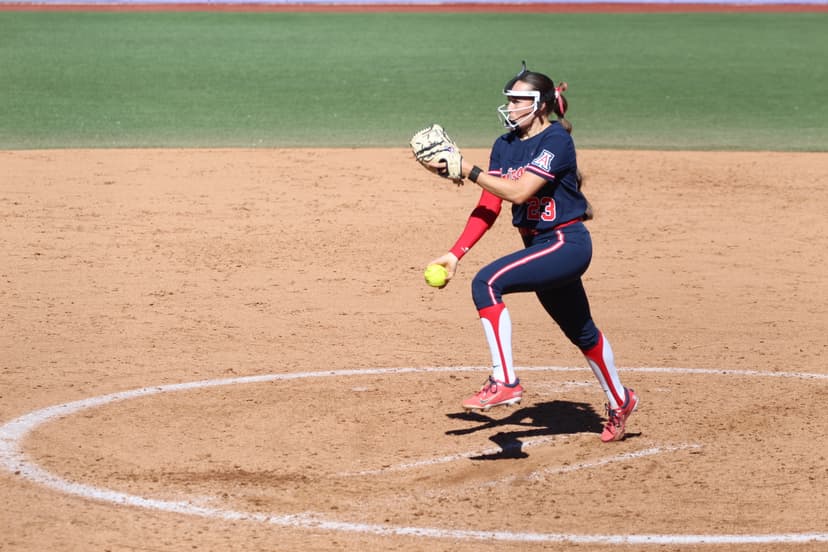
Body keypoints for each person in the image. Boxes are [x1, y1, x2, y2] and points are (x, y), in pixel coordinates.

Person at [422, 62, 638, 442]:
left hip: (566, 244)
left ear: (539, 105)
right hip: (539, 246)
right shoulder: (504, 146)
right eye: (509, 99)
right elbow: (490, 205)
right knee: (581, 331)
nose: (511, 106)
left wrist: (467, 168)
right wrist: (455, 254)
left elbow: (521, 192)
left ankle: (504, 379)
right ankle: (621, 400)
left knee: (487, 283)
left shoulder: (556, 140)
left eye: (519, 100)